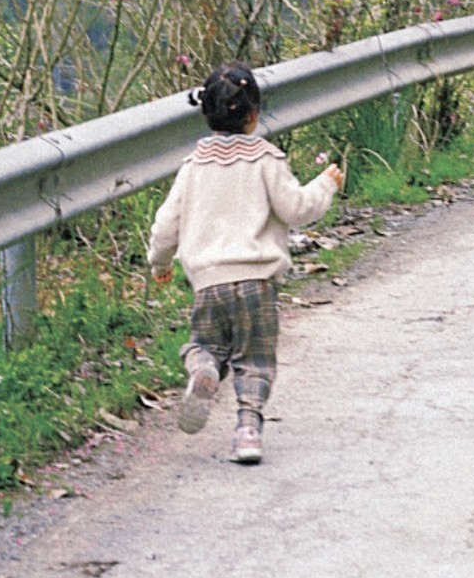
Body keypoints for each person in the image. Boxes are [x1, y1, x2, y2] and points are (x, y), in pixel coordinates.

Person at [147, 63, 343, 466]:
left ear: (206, 115)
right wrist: (326, 184)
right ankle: (248, 431)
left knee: (205, 344)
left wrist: (159, 263)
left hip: (208, 283)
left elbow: (166, 224)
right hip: (256, 282)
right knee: (254, 360)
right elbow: (296, 208)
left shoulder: (193, 167)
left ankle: (203, 370)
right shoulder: (266, 159)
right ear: (254, 115)